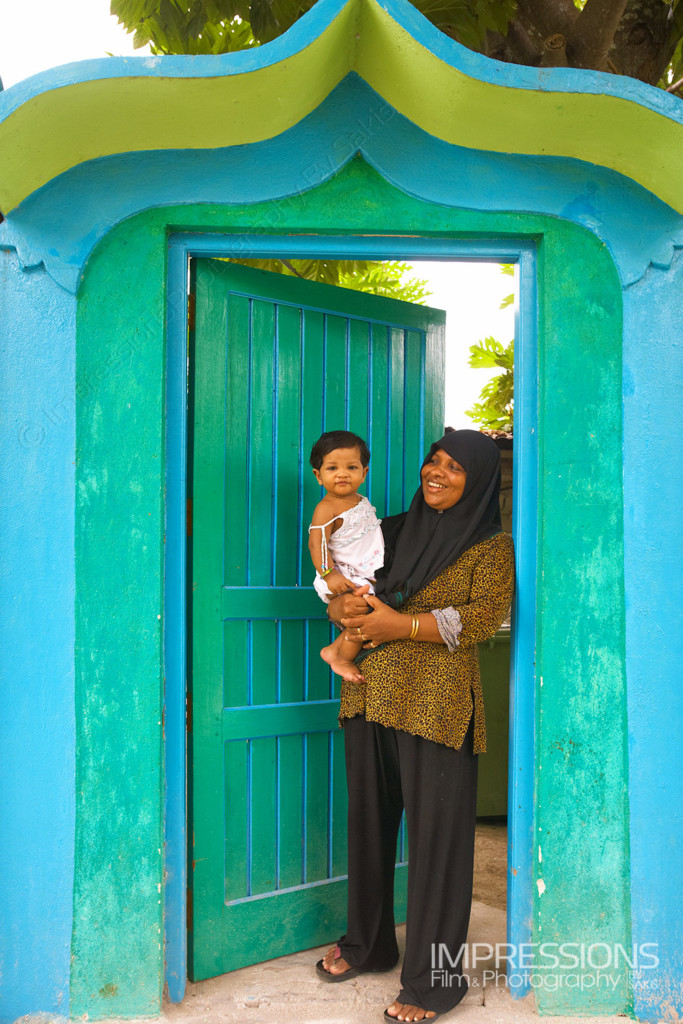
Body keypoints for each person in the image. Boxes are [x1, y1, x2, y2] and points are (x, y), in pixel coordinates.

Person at [314, 428, 515, 1023]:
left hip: (439, 705)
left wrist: (403, 626)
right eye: (434, 459)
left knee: (441, 847)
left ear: (477, 479)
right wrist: (339, 607)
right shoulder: (391, 529)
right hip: (370, 695)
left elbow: (484, 617)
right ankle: (368, 945)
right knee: (369, 827)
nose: (438, 472)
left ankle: (435, 983)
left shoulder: (492, 547)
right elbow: (344, 582)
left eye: (455, 467)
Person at [308, 430, 384, 682]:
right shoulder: (326, 508)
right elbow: (316, 544)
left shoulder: (360, 500)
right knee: (363, 614)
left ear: (364, 473)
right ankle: (342, 658)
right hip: (344, 574)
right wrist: (329, 574)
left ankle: (333, 650)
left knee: (370, 611)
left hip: (366, 569)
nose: (342, 474)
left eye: (351, 467)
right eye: (332, 468)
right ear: (318, 476)